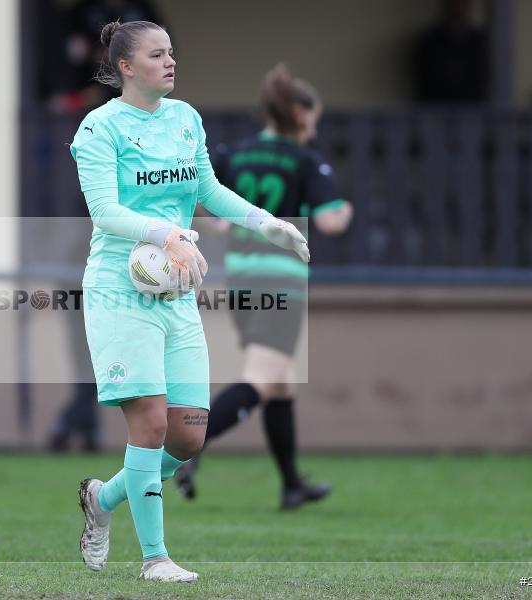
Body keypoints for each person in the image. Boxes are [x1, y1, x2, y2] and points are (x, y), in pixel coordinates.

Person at [69, 22, 310, 582]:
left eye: (172, 52)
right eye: (157, 55)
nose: (171, 62)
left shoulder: (185, 119)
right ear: (127, 67)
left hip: (177, 290)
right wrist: (165, 234)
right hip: (120, 291)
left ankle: (102, 500)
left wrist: (267, 224)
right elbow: (104, 211)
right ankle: (155, 559)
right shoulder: (99, 127)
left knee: (189, 434)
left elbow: (207, 190)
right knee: (150, 425)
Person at [175, 63, 353, 510]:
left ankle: (292, 485)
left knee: (281, 382)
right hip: (283, 285)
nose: (313, 132)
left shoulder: (234, 154)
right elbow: (330, 221)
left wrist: (219, 229)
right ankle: (185, 449)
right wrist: (346, 209)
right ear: (298, 113)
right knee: (260, 379)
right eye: (312, 121)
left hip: (242, 282)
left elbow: (196, 205)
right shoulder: (306, 161)